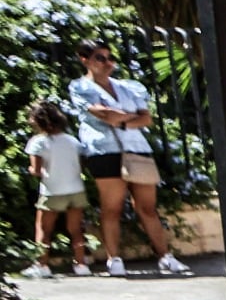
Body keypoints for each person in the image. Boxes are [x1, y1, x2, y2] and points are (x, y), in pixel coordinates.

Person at [69, 40, 183, 276]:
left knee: (148, 207)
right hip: (104, 150)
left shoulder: (129, 87)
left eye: (110, 58)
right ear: (85, 60)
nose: (108, 63)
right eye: (101, 58)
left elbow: (145, 119)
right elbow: (105, 116)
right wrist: (129, 117)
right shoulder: (81, 87)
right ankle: (114, 258)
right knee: (112, 208)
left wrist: (120, 117)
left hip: (137, 149)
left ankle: (165, 256)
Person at [22, 99, 89, 276]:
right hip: (76, 189)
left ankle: (42, 265)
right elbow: (80, 166)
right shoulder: (73, 141)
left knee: (44, 229)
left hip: (52, 191)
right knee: (76, 229)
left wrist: (30, 169)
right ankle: (81, 265)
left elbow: (36, 171)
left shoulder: (37, 142)